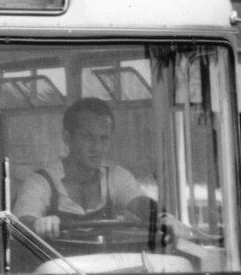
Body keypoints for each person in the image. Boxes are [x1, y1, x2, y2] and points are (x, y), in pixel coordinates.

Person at [14, 98, 157, 240]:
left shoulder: (115, 176)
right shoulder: (40, 182)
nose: (97, 148)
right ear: (67, 138)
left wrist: (162, 217)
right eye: (88, 137)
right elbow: (24, 225)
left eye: (103, 139)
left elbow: (143, 205)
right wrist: (39, 224)